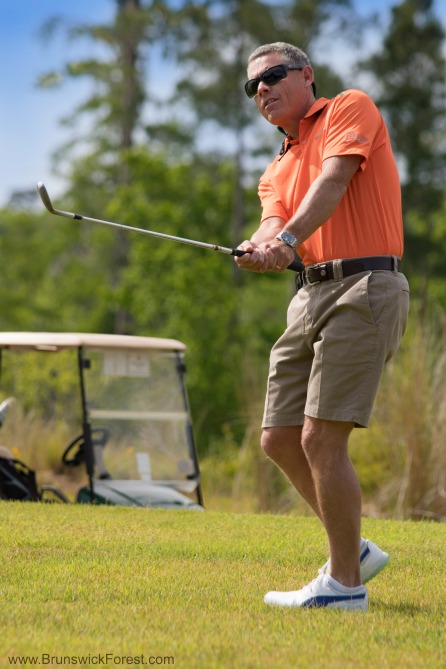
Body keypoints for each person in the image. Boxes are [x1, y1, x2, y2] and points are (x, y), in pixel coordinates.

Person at [235, 42, 410, 611]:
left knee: (320, 437)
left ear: (306, 76)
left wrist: (282, 242)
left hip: (365, 286)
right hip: (308, 295)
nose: (262, 89)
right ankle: (352, 550)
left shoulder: (348, 109)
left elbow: (332, 183)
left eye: (273, 76)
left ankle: (344, 588)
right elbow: (274, 228)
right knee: (280, 437)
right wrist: (260, 250)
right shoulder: (274, 170)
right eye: (252, 86)